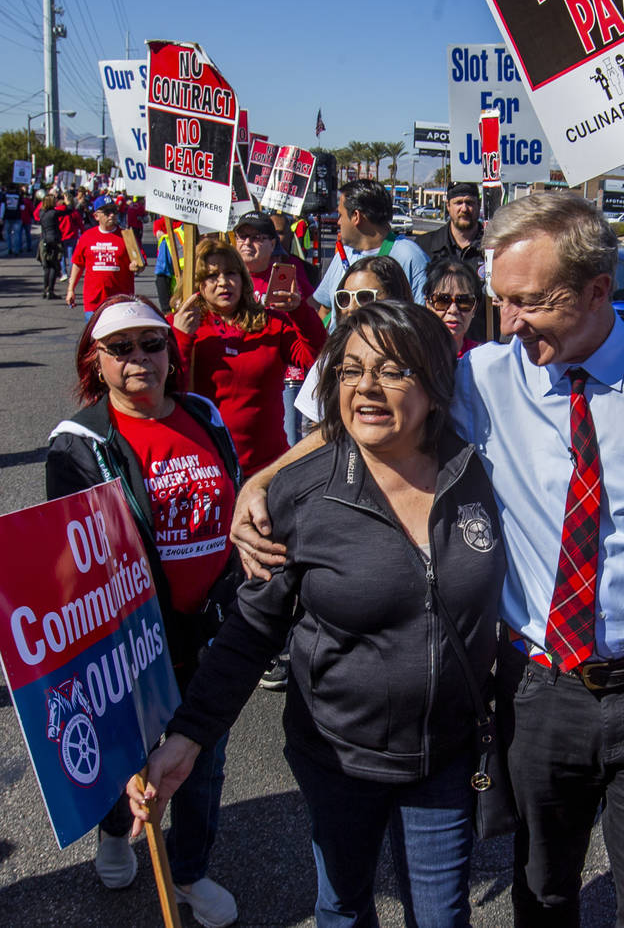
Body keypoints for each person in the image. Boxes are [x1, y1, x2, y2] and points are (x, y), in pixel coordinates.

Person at [231, 193, 624, 928]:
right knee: (543, 892)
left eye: (530, 302)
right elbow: (373, 417)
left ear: (599, 290)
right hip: (534, 691)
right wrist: (263, 477)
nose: (507, 321)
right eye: (499, 300)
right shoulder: (480, 379)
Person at [128, 300, 506, 928]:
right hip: (338, 757)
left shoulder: (485, 475)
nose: (366, 389)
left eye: (392, 371)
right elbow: (251, 633)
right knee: (343, 906)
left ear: (436, 387)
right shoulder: (301, 492)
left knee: (442, 918)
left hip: (446, 753)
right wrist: (188, 737)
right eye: (350, 370)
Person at [46, 295, 242, 928]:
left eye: (151, 344)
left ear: (170, 351)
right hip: (130, 633)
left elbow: (235, 504)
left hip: (209, 626)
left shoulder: (204, 414)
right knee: (126, 752)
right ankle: (114, 832)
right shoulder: (79, 441)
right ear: (95, 360)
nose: (139, 359)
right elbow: (72, 561)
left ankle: (189, 871)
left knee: (201, 755)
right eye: (120, 348)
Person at [170, 238, 325, 479]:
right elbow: (168, 391)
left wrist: (299, 312)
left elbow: (315, 357)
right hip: (208, 466)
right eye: (212, 276)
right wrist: (180, 338)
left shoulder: (271, 322)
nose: (223, 282)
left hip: (267, 468)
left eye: (231, 273)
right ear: (198, 284)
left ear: (243, 278)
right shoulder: (182, 326)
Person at [294, 254, 414, 429]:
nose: (351, 307)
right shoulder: (331, 357)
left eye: (364, 297)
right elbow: (313, 426)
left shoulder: (418, 355)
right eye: (344, 298)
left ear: (396, 299)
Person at [234, 210, 316, 447]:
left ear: (272, 243)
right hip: (238, 380)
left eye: (256, 237)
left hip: (284, 377)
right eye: (242, 236)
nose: (247, 243)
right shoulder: (227, 279)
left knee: (288, 444)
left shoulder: (288, 272)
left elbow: (313, 334)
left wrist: (297, 309)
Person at [312, 179, 429, 325]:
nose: (338, 222)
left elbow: (421, 320)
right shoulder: (343, 254)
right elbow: (325, 309)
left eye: (340, 215)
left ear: (356, 216)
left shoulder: (410, 256)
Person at [417, 182, 494, 342]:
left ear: (479, 205)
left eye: (470, 203)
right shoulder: (424, 246)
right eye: (458, 203)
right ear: (448, 206)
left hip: (481, 343)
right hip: (434, 345)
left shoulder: (494, 247)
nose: (464, 209)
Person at [66, 196, 141, 319]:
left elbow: (140, 262)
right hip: (94, 302)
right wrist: (71, 290)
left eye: (114, 211)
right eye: (107, 212)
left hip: (121, 302)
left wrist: (137, 266)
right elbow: (78, 264)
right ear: (96, 216)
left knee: (119, 338)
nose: (111, 215)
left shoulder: (127, 236)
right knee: (95, 337)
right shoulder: (87, 237)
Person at [424, 257, 482, 358]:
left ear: (474, 308)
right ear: (428, 304)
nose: (453, 310)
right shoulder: (416, 356)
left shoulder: (481, 357)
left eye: (464, 301)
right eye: (442, 300)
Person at [37, 194, 63, 299]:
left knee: (46, 267)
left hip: (44, 240)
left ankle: (45, 289)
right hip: (54, 240)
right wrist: (67, 200)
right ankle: (50, 291)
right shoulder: (54, 213)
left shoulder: (41, 213)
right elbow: (70, 210)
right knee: (53, 266)